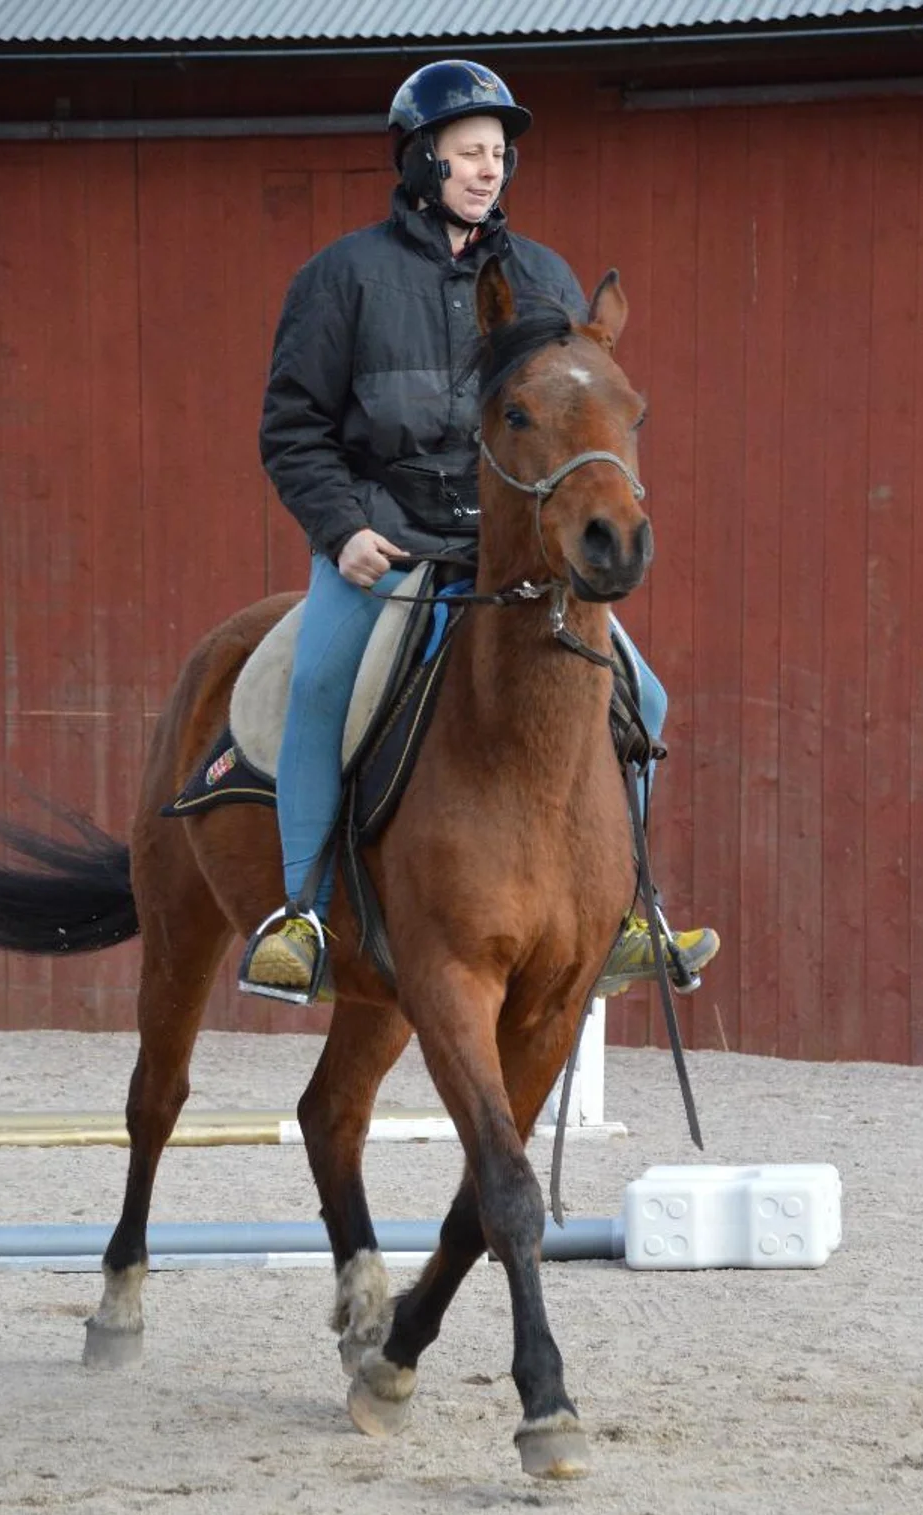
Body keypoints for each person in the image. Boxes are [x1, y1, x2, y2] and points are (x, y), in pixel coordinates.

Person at [240, 59, 719, 998]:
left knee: (647, 700)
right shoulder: (343, 277)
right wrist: (342, 531)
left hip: (510, 557)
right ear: (422, 160)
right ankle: (301, 914)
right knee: (322, 685)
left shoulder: (543, 277)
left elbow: (571, 419)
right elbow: (293, 429)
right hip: (386, 545)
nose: (488, 168)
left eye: (497, 152)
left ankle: (630, 913)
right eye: (467, 152)